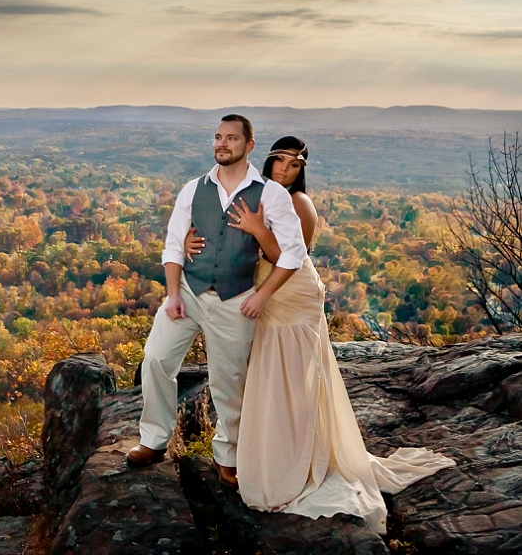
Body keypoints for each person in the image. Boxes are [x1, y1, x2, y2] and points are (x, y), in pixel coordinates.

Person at [184, 136, 455, 534]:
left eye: (294, 166)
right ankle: (275, 452)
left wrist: (258, 231)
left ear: (301, 170)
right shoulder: (258, 195)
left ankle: (299, 459)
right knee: (271, 373)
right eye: (279, 161)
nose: (284, 170)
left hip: (290, 292)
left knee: (293, 374)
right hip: (265, 289)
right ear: (268, 160)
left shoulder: (298, 203)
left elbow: (288, 257)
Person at [125, 115, 307, 490]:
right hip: (188, 292)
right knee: (156, 360)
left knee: (229, 383)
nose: (222, 144)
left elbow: (293, 253)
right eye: (218, 137)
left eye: (232, 138)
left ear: (249, 145)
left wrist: (262, 294)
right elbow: (175, 245)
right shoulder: (193, 189)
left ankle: (228, 457)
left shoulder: (270, 194)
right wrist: (173, 293)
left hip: (234, 300)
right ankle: (154, 440)